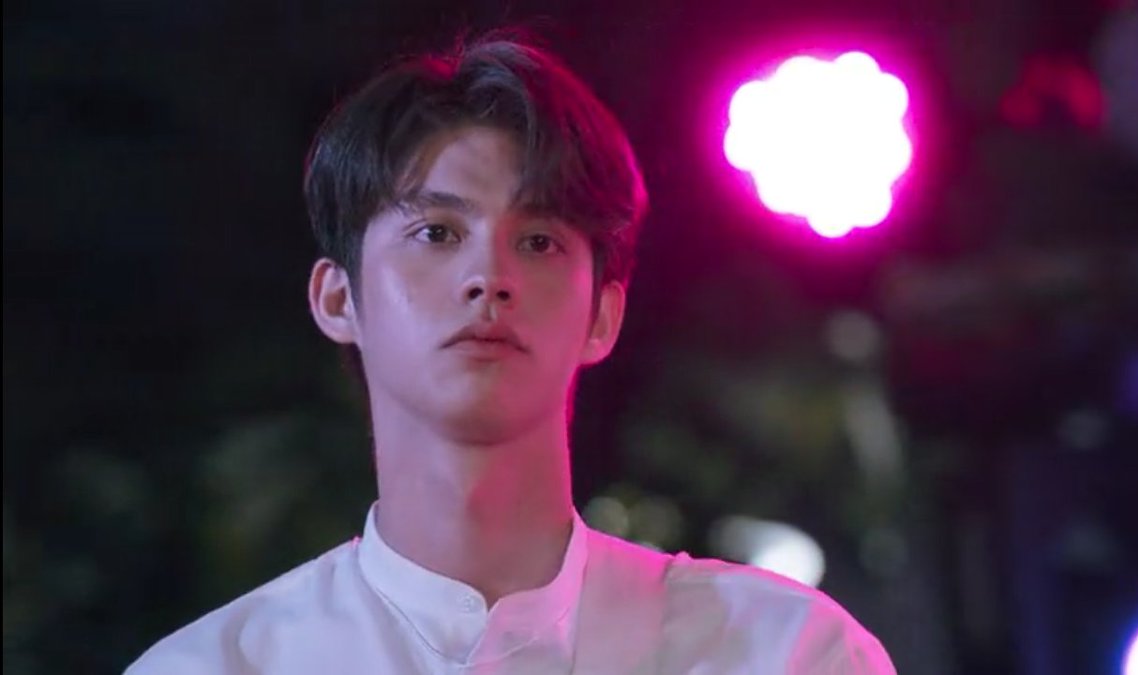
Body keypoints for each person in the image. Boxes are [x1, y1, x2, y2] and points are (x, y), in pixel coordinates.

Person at [126, 30, 896, 674]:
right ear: (337, 298)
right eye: (437, 232)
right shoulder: (214, 666)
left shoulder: (786, 651)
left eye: (538, 241)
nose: (489, 276)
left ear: (602, 314)